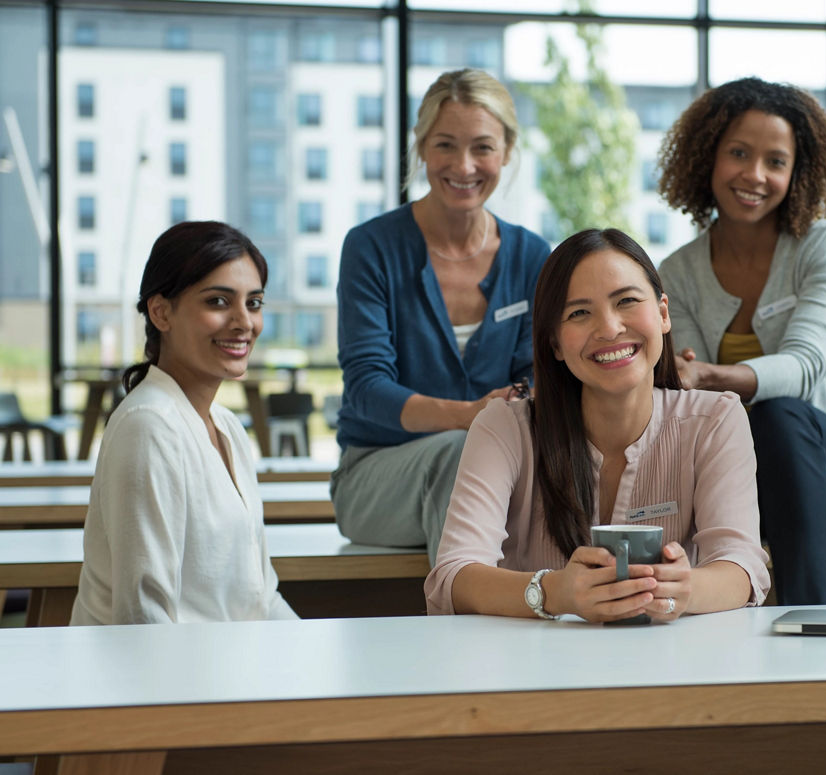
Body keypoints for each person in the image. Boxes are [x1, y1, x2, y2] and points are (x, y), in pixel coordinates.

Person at [424, 228, 770, 621]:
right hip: (531, 668)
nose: (608, 328)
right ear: (554, 342)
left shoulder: (716, 420)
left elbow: (742, 568)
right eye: (579, 313)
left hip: (670, 666)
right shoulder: (504, 427)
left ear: (662, 313)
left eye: (626, 301)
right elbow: (453, 576)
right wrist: (557, 592)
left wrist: (685, 589)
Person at [655, 77, 826, 606]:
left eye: (776, 161)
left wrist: (709, 376)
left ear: (798, 171)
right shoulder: (678, 271)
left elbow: (806, 366)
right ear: (707, 158)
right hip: (744, 475)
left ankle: (812, 627)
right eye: (738, 153)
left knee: (780, 413)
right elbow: (694, 398)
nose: (755, 175)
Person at [332, 69, 550, 559]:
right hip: (376, 474)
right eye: (446, 145)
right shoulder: (371, 247)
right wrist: (471, 418)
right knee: (460, 456)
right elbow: (367, 390)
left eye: (483, 147)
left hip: (502, 467)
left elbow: (540, 377)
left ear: (507, 152)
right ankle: (473, 623)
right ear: (421, 146)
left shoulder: (532, 256)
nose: (464, 165)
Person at [70, 222, 297, 625]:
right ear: (161, 312)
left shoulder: (227, 427)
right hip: (160, 682)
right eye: (218, 302)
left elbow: (263, 597)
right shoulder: (149, 427)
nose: (244, 322)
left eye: (254, 303)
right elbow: (144, 616)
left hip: (228, 674)